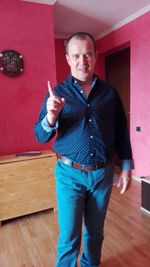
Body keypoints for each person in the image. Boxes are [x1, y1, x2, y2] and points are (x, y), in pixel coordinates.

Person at [34, 32, 134, 267]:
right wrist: (50, 116)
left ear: (95, 56)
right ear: (68, 59)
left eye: (88, 54)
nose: (83, 61)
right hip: (69, 176)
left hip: (103, 174)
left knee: (95, 233)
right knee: (69, 237)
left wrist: (127, 167)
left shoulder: (109, 93)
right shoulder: (57, 94)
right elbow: (39, 136)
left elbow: (121, 130)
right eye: (76, 55)